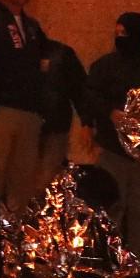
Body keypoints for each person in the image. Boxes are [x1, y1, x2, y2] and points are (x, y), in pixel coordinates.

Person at [84, 12, 140, 262]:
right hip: (115, 151)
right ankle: (110, 265)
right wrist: (109, 113)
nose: (120, 38)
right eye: (118, 33)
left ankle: (135, 267)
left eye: (125, 33)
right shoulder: (105, 67)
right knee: (111, 213)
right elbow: (90, 97)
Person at [0, 0, 47, 212]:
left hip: (29, 111)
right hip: (0, 110)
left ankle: (11, 239)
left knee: (22, 183)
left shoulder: (31, 26)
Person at [36, 38, 88, 193]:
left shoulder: (60, 54)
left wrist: (87, 122)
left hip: (53, 125)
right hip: (32, 125)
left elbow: (79, 90)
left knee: (47, 178)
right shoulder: (58, 53)